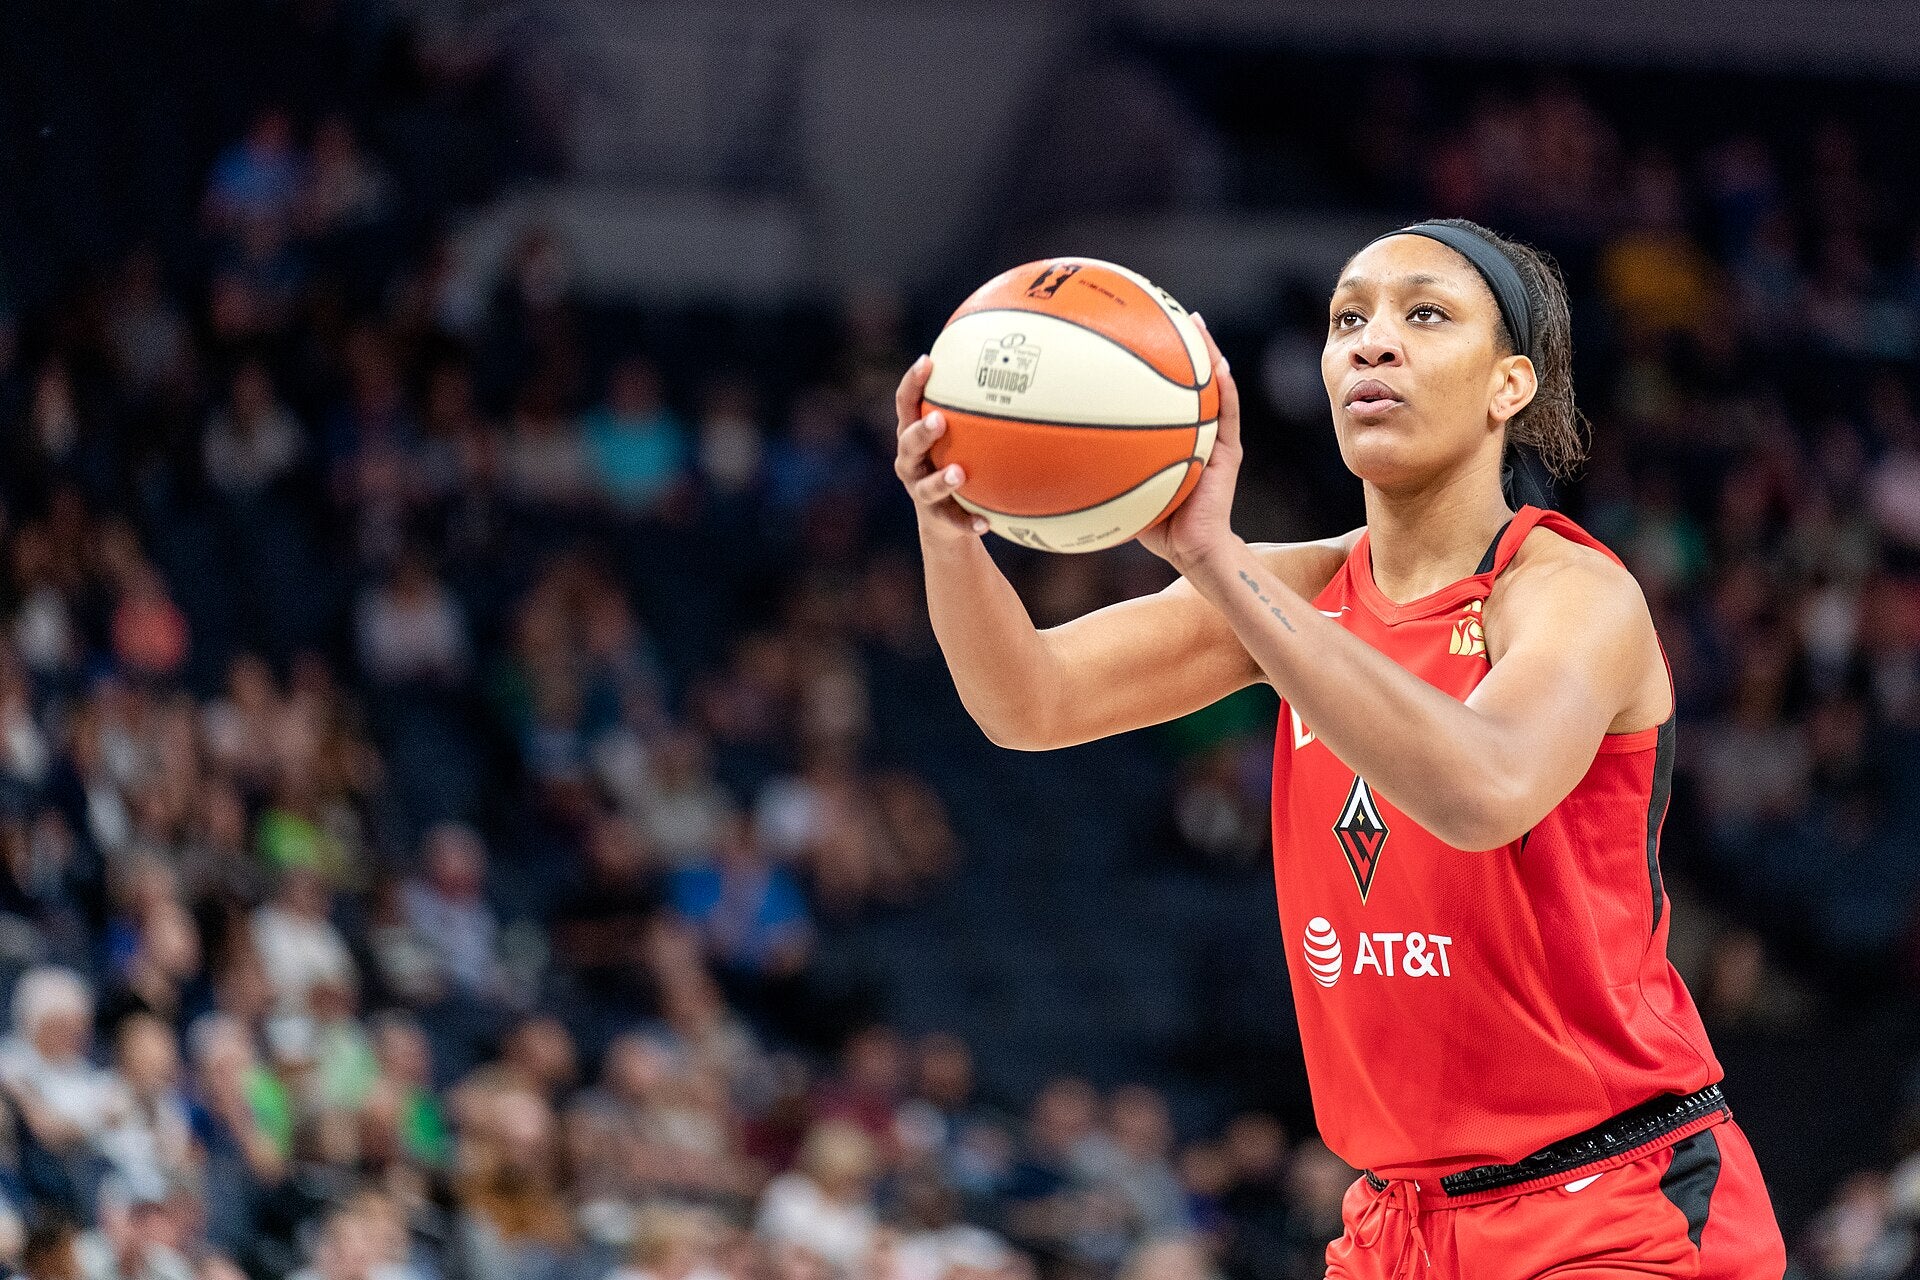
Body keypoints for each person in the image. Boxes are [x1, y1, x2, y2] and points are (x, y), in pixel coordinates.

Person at [891, 220, 1786, 1278]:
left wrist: (1220, 564)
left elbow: (1485, 784)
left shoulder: (1569, 592)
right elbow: (1027, 701)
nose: (1372, 341)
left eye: (1425, 314)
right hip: (1397, 1226)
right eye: (1347, 317)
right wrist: (947, 530)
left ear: (1510, 386)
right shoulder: (1296, 588)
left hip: (1612, 1204)